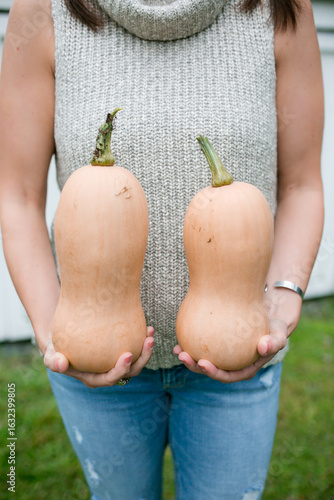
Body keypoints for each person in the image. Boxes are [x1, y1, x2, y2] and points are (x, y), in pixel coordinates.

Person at [0, 0, 324, 498]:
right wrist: (55, 334)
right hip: (97, 356)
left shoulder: (285, 7)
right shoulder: (41, 8)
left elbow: (302, 185)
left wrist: (283, 301)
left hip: (241, 351)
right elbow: (17, 196)